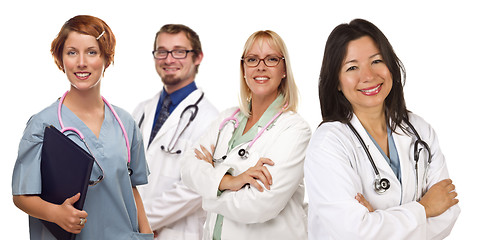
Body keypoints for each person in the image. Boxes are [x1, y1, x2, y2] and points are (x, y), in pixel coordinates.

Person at [304, 18, 460, 239]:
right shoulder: (328, 143)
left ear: (391, 65)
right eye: (352, 67)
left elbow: (448, 211)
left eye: (376, 61)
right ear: (337, 82)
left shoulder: (419, 130)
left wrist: (378, 220)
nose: (368, 76)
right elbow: (352, 232)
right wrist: (424, 208)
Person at [11, 15, 153, 239]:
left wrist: (147, 234)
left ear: (107, 58)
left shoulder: (125, 123)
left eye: (92, 52)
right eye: (72, 52)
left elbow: (131, 188)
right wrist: (56, 213)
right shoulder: (43, 125)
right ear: (61, 59)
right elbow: (21, 195)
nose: (81, 62)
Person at [181, 30, 311, 240]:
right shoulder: (227, 120)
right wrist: (230, 182)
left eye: (271, 59)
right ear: (243, 69)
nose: (261, 66)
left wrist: (209, 190)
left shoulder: (295, 130)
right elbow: (187, 167)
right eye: (252, 59)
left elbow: (260, 205)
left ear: (284, 69)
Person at [132, 24, 218, 239]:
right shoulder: (142, 111)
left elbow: (196, 186)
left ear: (197, 57)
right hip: (133, 229)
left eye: (179, 51)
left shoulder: (211, 119)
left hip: (178, 233)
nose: (169, 59)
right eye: (162, 51)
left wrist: (142, 221)